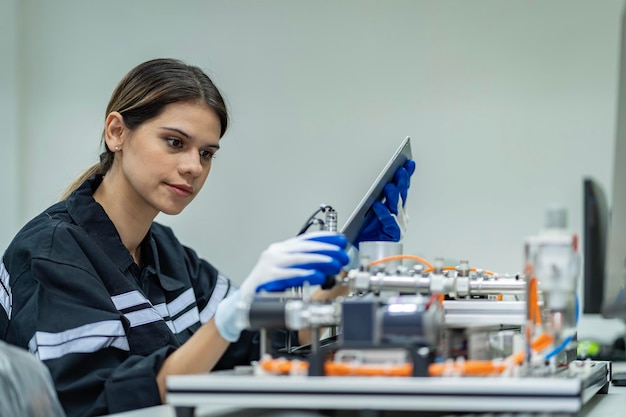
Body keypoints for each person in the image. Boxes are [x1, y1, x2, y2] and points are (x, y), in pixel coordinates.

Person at [0, 58, 415, 417]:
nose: (193, 167)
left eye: (206, 153)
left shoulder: (165, 253)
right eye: (175, 142)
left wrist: (348, 276)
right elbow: (99, 402)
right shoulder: (53, 254)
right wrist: (234, 314)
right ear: (117, 132)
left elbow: (260, 344)